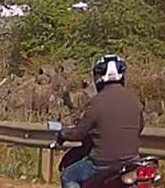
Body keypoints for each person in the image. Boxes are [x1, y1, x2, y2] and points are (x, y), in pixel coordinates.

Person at [58, 55, 144, 188]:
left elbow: (79, 133)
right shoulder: (135, 100)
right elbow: (140, 127)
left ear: (98, 77)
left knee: (68, 176)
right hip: (132, 161)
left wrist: (63, 134)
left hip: (102, 162)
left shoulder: (96, 102)